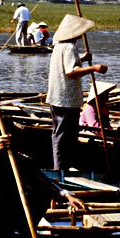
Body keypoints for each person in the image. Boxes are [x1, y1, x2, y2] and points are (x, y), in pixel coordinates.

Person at [0, 118, 86, 238]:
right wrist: (0, 148)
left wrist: (67, 195)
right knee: (9, 194)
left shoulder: (20, 160)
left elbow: (44, 182)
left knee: (40, 195)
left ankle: (20, 234)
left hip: (1, 217)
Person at [47, 14, 108, 171]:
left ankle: (65, 165)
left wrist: (82, 58)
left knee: (62, 134)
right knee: (63, 136)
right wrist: (94, 68)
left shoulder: (59, 46)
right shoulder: (69, 47)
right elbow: (71, 71)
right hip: (66, 99)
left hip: (57, 97)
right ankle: (60, 168)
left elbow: (68, 64)